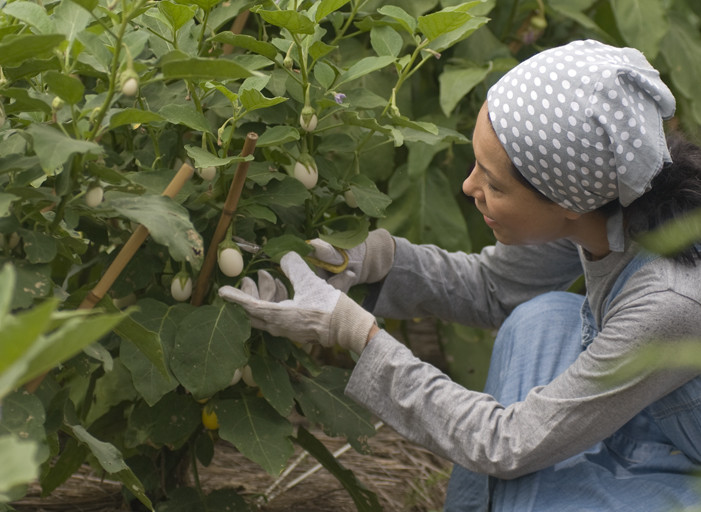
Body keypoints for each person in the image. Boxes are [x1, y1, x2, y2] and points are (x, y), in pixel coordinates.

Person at [219, 39, 701, 510]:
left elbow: (508, 443)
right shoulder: (608, 193)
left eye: (493, 182)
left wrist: (355, 333)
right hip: (652, 409)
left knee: (530, 489)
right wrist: (379, 261)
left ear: (567, 203)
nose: (468, 184)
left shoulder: (671, 299)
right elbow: (494, 289)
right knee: (540, 319)